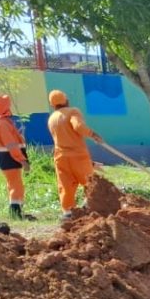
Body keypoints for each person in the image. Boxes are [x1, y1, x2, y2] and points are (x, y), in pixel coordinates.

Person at [46, 89, 100, 219]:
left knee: (65, 186)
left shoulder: (52, 118)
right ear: (66, 100)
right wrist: (93, 134)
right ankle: (90, 208)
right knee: (89, 183)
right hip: (78, 156)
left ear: (52, 105)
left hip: (60, 158)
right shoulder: (72, 112)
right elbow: (78, 127)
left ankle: (67, 213)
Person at [0, 94, 30, 220]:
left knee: (13, 185)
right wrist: (22, 160)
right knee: (16, 185)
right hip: (10, 159)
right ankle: (16, 213)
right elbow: (11, 145)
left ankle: (17, 212)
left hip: (6, 159)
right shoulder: (2, 124)